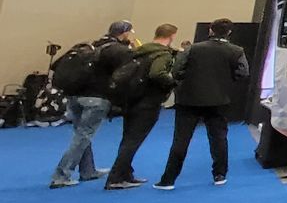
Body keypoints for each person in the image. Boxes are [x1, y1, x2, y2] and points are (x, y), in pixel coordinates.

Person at [155, 19, 249, 190]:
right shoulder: (236, 51)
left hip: (189, 100)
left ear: (211, 30)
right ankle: (220, 175)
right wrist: (226, 82)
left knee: (181, 140)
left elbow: (177, 69)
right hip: (219, 100)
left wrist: (185, 82)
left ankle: (168, 179)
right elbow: (243, 72)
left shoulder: (193, 48)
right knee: (219, 138)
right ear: (229, 33)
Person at [49, 21, 137, 188]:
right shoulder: (119, 50)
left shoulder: (93, 45)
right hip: (96, 98)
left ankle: (87, 171)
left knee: (81, 135)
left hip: (75, 96)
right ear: (124, 33)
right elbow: (125, 75)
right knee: (83, 136)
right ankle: (61, 175)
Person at [105, 24, 181, 190]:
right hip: (148, 101)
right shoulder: (163, 54)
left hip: (131, 99)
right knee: (133, 141)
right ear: (172, 36)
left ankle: (126, 173)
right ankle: (115, 177)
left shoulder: (138, 50)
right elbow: (157, 73)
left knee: (128, 138)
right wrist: (173, 82)